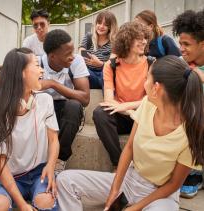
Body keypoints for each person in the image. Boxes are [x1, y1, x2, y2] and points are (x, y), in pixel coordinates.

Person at [57, 55, 204, 211]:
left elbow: (174, 184)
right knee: (65, 180)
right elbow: (129, 149)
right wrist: (115, 189)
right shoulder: (147, 105)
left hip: (160, 195)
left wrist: (135, 208)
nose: (144, 83)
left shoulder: (192, 131)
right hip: (130, 180)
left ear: (157, 88)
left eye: (147, 78)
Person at [0, 48, 59, 211]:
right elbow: (0, 164)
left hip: (40, 172)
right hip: (11, 176)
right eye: (37, 65)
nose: (42, 70)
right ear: (21, 72)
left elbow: (53, 140)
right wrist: (23, 205)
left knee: (46, 201)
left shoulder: (45, 100)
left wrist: (51, 166)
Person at [93, 21, 150, 168]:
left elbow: (151, 99)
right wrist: (127, 110)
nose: (144, 41)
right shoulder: (111, 65)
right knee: (100, 112)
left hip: (142, 115)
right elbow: (108, 101)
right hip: (122, 115)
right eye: (139, 38)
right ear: (127, 40)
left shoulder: (151, 64)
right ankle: (119, 164)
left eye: (145, 38)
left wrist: (129, 108)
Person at [40, 29, 90, 174]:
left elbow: (85, 98)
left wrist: (53, 84)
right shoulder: (37, 63)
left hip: (65, 108)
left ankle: (59, 160)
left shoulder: (77, 61)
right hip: (43, 107)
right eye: (67, 54)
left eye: (72, 52)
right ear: (53, 56)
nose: (72, 57)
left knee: (74, 106)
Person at [172, 9, 204, 199]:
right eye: (180, 43)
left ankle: (194, 175)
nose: (181, 48)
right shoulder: (179, 62)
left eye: (186, 44)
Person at [79, 10, 118, 89]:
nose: (101, 26)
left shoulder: (114, 42)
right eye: (99, 23)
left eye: (105, 25)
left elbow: (112, 66)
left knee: (105, 75)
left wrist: (100, 64)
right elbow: (80, 52)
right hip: (88, 73)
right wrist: (83, 58)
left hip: (104, 73)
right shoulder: (89, 36)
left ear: (111, 27)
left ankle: (109, 100)